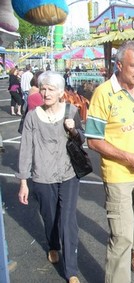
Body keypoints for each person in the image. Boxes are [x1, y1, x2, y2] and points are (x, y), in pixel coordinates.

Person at [85, 40, 134, 283]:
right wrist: (129, 158)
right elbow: (93, 141)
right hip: (118, 174)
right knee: (120, 237)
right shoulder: (103, 93)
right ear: (119, 65)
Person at [16, 71, 84, 283]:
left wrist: (73, 131)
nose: (45, 93)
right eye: (43, 88)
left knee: (68, 220)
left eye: (51, 89)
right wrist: (23, 182)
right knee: (50, 216)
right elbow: (26, 148)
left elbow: (82, 140)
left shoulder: (71, 111)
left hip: (68, 173)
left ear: (61, 92)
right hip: (43, 175)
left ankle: (71, 270)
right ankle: (53, 244)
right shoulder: (32, 116)